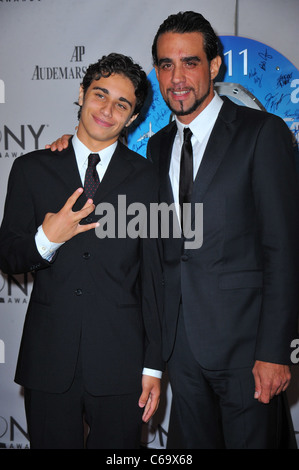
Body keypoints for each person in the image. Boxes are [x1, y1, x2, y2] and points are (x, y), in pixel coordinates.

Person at [46, 11, 299, 449]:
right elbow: (106, 169)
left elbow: (284, 249)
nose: (177, 78)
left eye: (190, 62)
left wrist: (274, 351)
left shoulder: (263, 133)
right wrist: (69, 145)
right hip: (179, 352)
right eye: (165, 64)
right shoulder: (157, 145)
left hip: (246, 353)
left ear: (215, 66)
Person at [0, 53, 164, 449]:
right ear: (81, 93)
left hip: (123, 365)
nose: (107, 110)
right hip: (49, 360)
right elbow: (9, 256)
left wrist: (153, 365)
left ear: (133, 118)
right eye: (100, 94)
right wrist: (48, 238)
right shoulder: (30, 168)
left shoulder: (147, 180)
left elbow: (157, 279)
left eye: (121, 104)